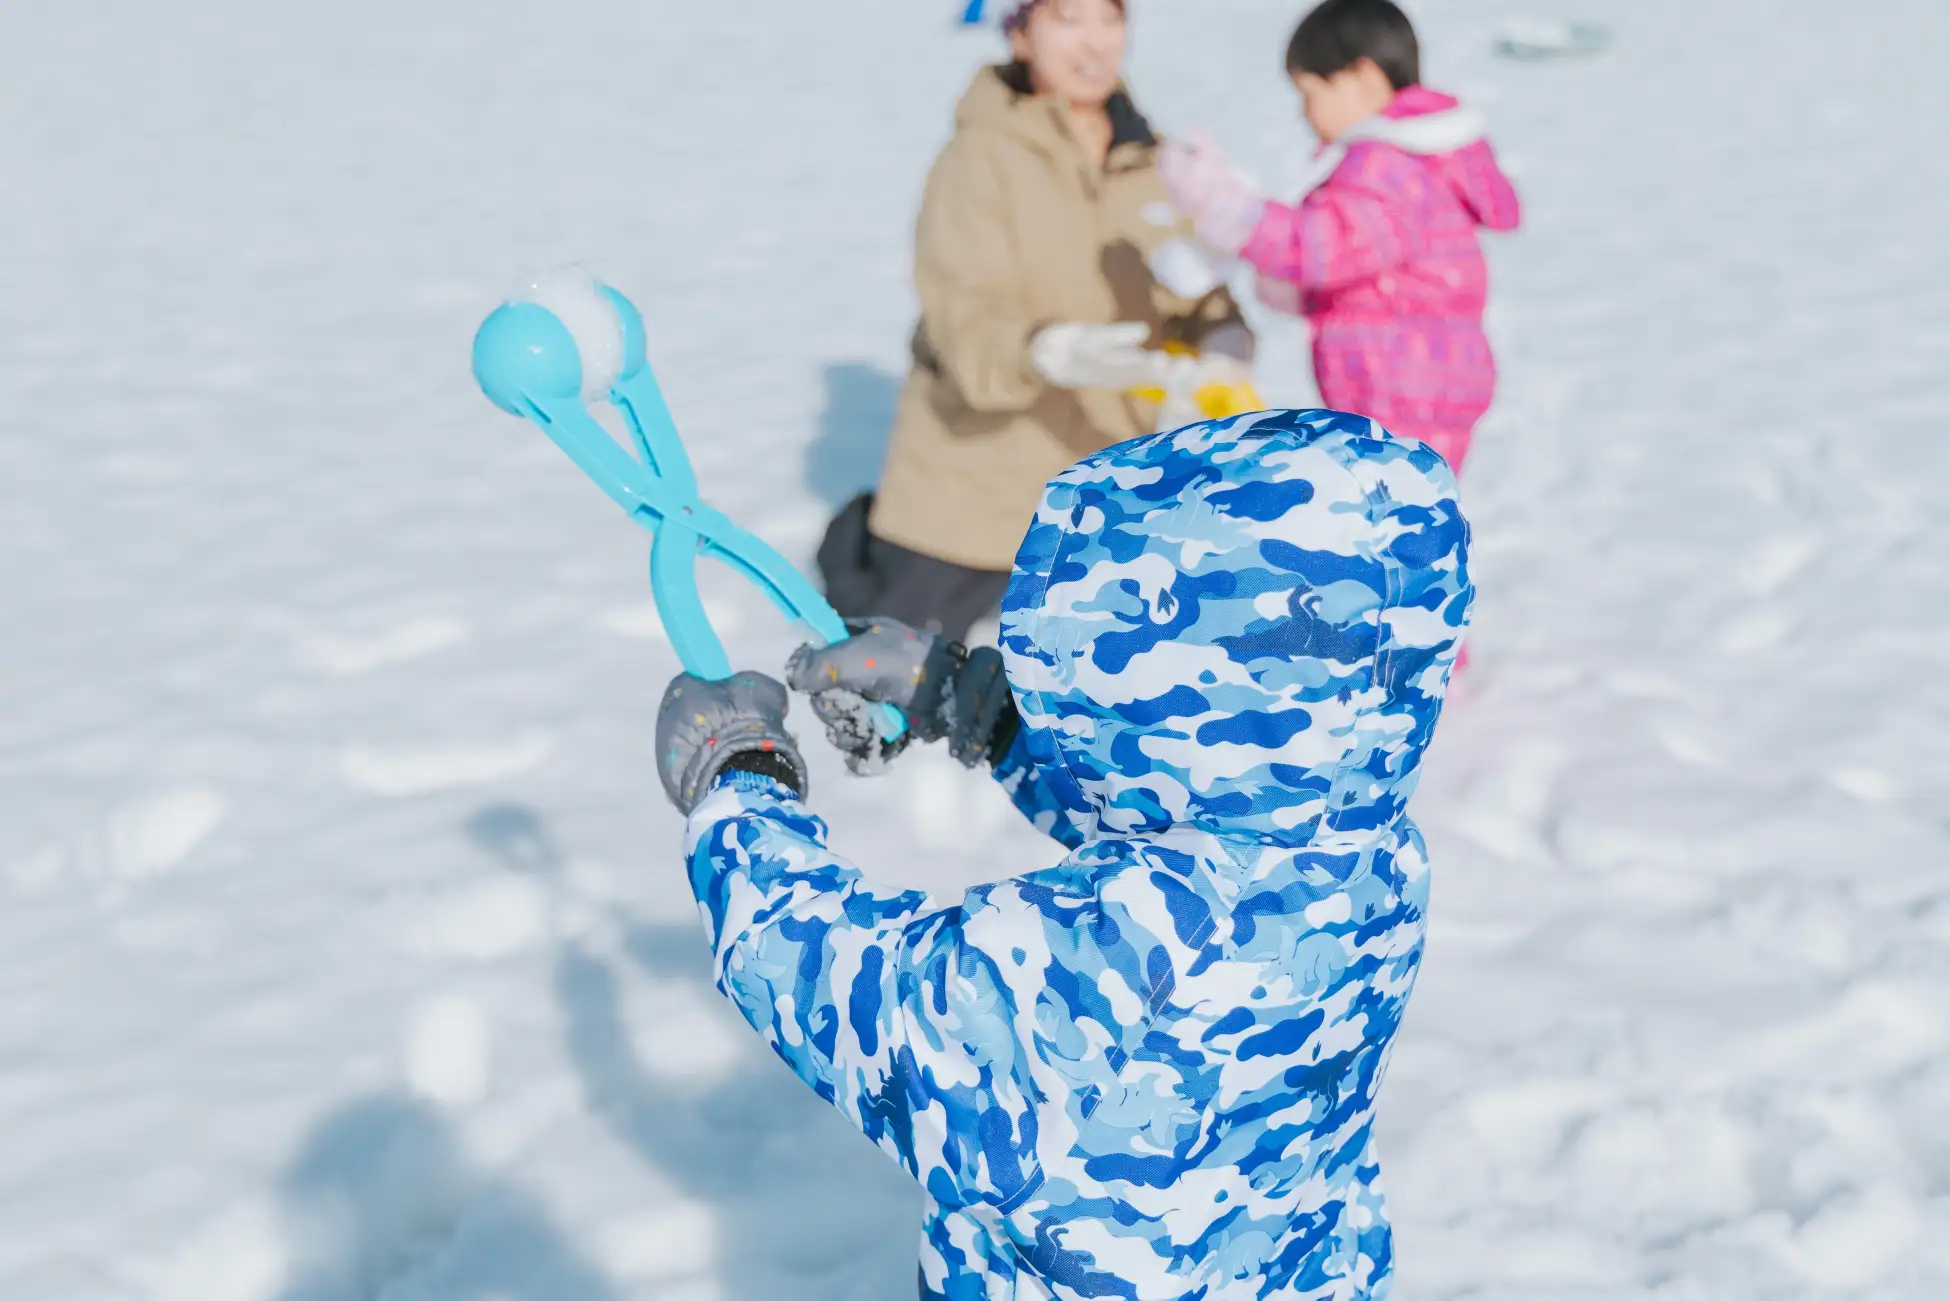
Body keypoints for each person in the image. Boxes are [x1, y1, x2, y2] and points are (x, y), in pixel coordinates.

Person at [656, 408, 1472, 1299]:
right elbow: (1168, 818)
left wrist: (738, 781)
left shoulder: (1143, 951)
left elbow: (867, 999)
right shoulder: (1364, 850)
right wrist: (970, 700)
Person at [819, 0, 1253, 644]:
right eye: (1068, 20)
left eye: (1109, 19)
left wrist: (1222, 339)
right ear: (1019, 33)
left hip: (1109, 494)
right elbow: (961, 317)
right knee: (894, 676)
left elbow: (1198, 289)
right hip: (974, 496)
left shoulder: (1156, 159)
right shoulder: (979, 157)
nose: (1095, 43)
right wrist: (1046, 350)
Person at [1158, 0, 1520, 472]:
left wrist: (1231, 209)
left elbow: (1322, 246)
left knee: (1390, 500)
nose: (1305, 113)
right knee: (1410, 500)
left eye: (1311, 93)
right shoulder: (1420, 160)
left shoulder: (1386, 167)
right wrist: (1297, 292)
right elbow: (1365, 264)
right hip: (1423, 379)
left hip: (1401, 382)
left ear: (1363, 77)